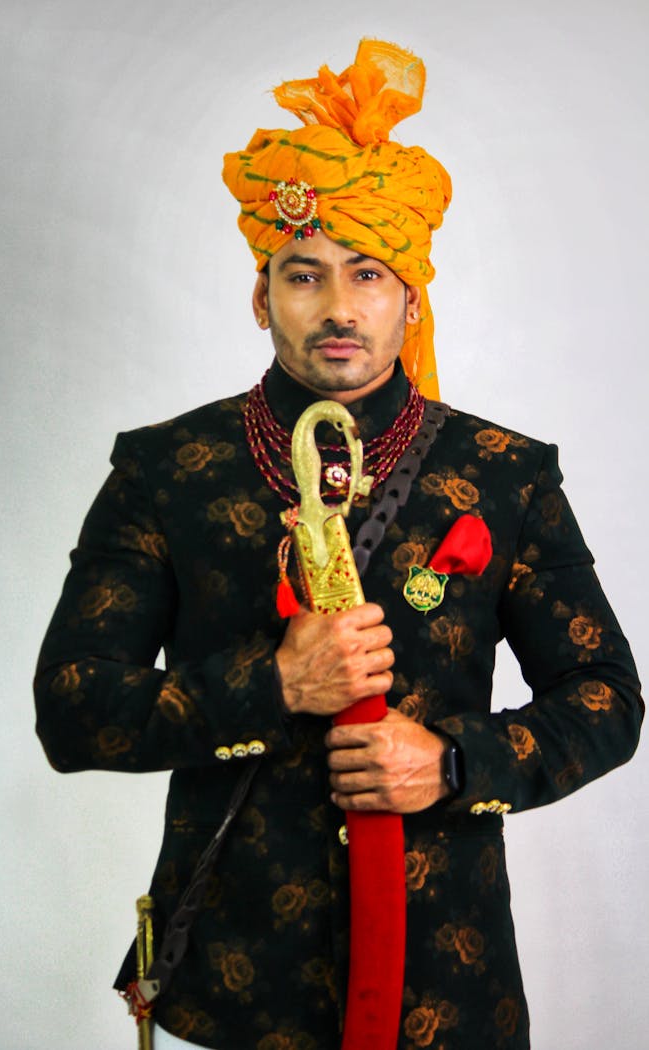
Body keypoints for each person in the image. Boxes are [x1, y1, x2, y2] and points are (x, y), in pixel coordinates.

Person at [34, 40, 643, 1050]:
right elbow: (74, 711)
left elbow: (607, 699)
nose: (338, 307)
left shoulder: (504, 472)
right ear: (260, 294)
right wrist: (273, 683)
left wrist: (450, 760)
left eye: (368, 273)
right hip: (234, 979)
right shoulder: (166, 468)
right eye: (303, 275)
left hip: (445, 981)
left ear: (411, 297)